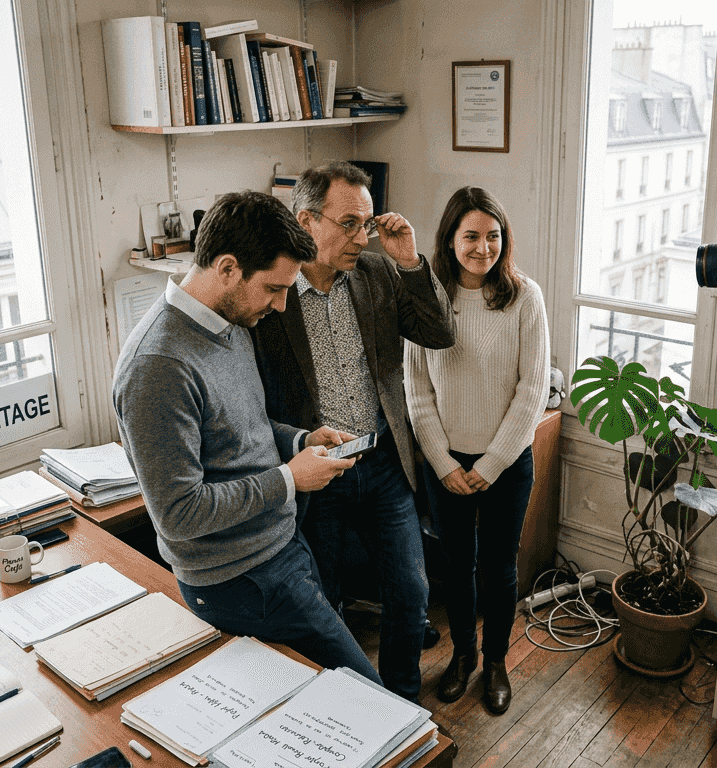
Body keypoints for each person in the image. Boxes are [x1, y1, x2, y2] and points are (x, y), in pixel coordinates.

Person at [113, 190, 379, 684]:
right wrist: (289, 480)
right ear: (229, 268)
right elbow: (177, 514)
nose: (281, 306)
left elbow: (243, 430)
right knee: (373, 701)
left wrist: (299, 441)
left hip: (281, 549)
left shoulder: (230, 321)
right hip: (240, 581)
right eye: (275, 288)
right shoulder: (158, 368)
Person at [251, 161, 455, 702]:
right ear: (306, 221)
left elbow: (439, 331)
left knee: (411, 593)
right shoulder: (273, 293)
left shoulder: (377, 272)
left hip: (385, 462)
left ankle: (404, 710)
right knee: (326, 603)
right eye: (349, 224)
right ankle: (342, 715)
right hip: (320, 473)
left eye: (366, 223)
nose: (362, 237)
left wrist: (410, 261)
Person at [405, 186, 549, 715]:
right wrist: (443, 463)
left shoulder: (523, 297)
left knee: (498, 568)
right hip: (446, 466)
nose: (483, 247)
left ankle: (495, 663)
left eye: (493, 236)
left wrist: (490, 465)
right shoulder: (427, 299)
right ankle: (462, 656)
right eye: (471, 236)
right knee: (456, 566)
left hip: (507, 465)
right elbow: (416, 389)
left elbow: (532, 390)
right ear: (450, 239)